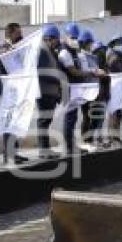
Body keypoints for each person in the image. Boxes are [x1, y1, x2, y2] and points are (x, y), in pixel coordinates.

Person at [57, 25, 104, 154]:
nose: (75, 40)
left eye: (76, 38)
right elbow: (74, 72)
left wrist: (92, 71)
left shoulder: (76, 53)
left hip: (77, 90)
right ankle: (68, 147)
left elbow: (82, 70)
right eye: (72, 37)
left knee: (74, 118)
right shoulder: (64, 53)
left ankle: (71, 145)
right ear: (65, 37)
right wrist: (93, 72)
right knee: (70, 118)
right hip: (68, 90)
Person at [0, 22, 27, 164]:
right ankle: (8, 154)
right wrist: (0, 53)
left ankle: (14, 152)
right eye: (18, 33)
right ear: (10, 34)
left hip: (19, 89)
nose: (20, 36)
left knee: (16, 122)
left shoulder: (19, 47)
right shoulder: (2, 49)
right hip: (8, 91)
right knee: (9, 121)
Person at [37, 25, 64, 159]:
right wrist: (56, 79)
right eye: (55, 40)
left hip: (51, 92)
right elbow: (42, 72)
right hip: (44, 91)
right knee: (43, 120)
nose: (57, 43)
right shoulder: (41, 51)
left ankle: (46, 149)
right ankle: (43, 150)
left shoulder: (52, 52)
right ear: (48, 38)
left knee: (47, 120)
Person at [77, 30, 107, 147]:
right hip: (86, 90)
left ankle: (90, 139)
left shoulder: (92, 56)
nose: (91, 45)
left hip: (95, 89)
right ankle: (85, 140)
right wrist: (96, 71)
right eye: (89, 43)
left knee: (95, 115)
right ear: (85, 43)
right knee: (87, 116)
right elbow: (85, 71)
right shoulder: (81, 56)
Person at [105, 35, 122, 146]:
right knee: (113, 112)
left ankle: (116, 136)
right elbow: (111, 66)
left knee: (119, 113)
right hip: (113, 86)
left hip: (120, 86)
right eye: (117, 42)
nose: (118, 44)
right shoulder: (110, 54)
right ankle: (111, 137)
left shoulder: (117, 54)